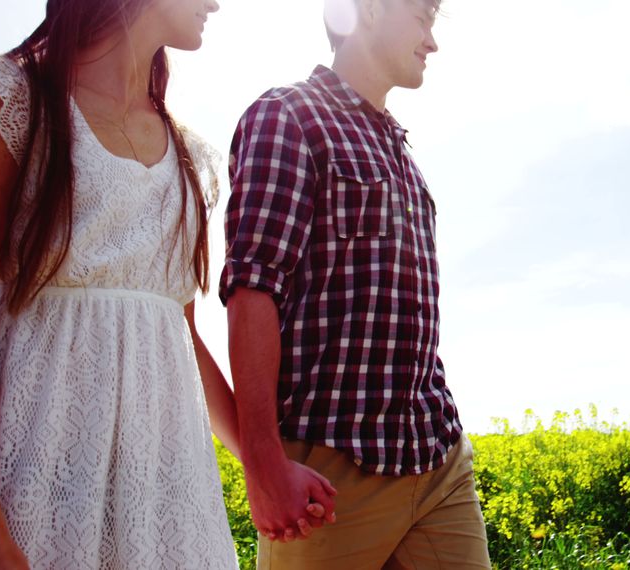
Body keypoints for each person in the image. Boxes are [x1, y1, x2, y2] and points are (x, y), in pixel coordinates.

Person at [0, 0, 252, 567]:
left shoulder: (193, 158)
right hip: (32, 494)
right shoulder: (7, 99)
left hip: (168, 505)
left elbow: (182, 336)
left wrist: (263, 466)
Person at [222, 0, 492, 567]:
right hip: (332, 476)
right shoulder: (288, 116)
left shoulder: (404, 157)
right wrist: (263, 465)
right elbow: (252, 289)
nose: (432, 41)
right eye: (424, 17)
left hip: (436, 457)